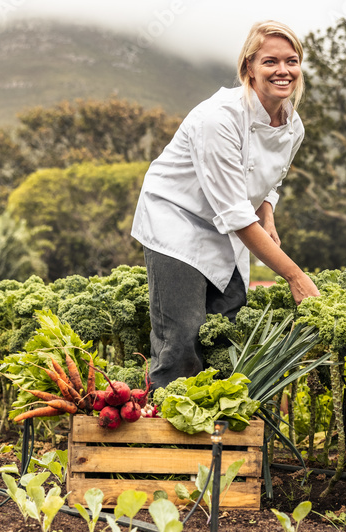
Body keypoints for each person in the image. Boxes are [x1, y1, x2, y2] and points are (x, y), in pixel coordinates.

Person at [131, 21, 320, 389]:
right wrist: (295, 277)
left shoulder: (292, 126)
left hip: (230, 224)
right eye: (270, 62)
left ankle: (217, 436)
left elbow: (270, 180)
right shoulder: (217, 119)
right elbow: (236, 216)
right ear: (249, 67)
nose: (283, 71)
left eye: (291, 61)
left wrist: (268, 213)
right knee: (183, 339)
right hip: (177, 221)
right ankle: (170, 437)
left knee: (225, 334)